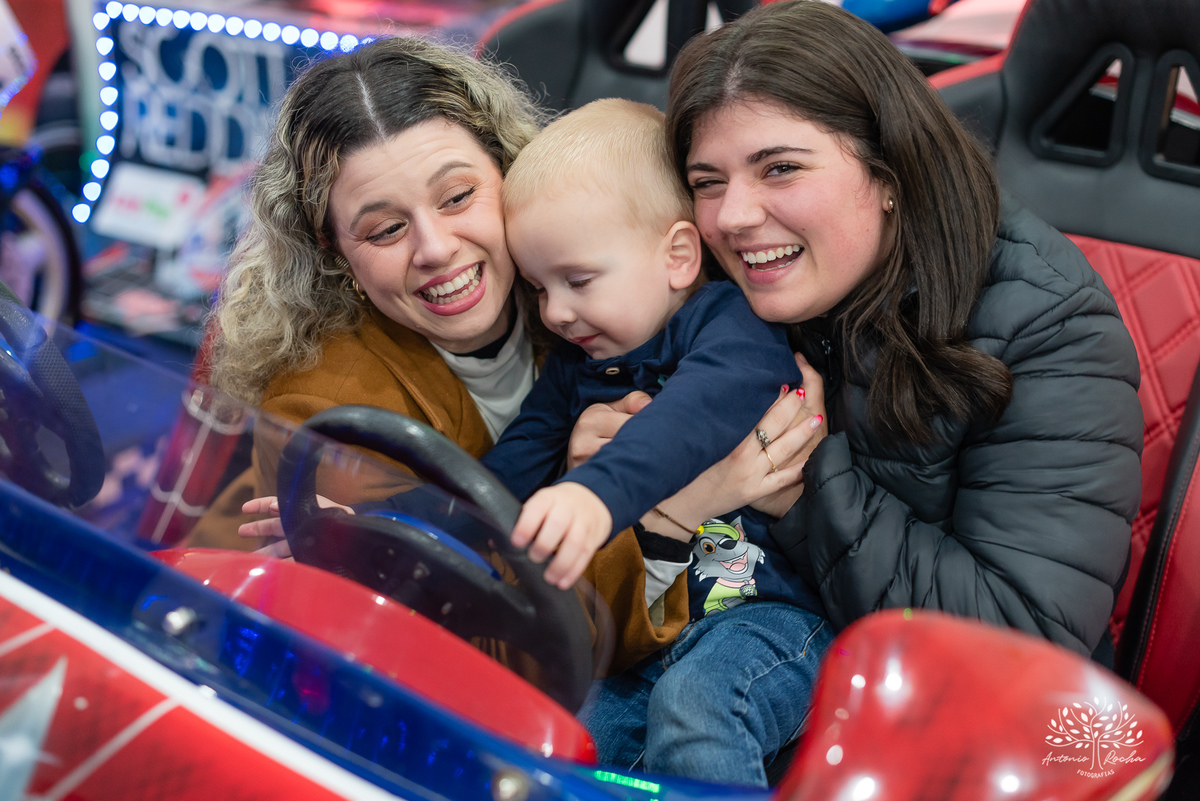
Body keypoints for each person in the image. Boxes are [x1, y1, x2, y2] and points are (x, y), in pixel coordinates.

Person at [575, 0, 1141, 783]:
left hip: (976, 731)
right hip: (743, 637)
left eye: (780, 168)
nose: (734, 216)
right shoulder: (707, 283)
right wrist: (620, 464)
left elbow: (1018, 640)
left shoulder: (1046, 321)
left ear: (888, 173)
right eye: (709, 181)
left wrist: (799, 481)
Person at [184, 36, 689, 675]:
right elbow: (505, 651)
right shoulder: (321, 408)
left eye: (457, 197)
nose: (435, 247)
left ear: (508, 169)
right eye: (385, 229)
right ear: (335, 250)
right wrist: (659, 505)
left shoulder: (590, 288)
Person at [452, 97, 832, 785]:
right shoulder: (576, 363)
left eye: (578, 280)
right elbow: (508, 466)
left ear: (679, 255)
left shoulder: (732, 329)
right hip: (649, 624)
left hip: (767, 618)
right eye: (540, 288)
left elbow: (693, 413)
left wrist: (596, 492)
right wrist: (414, 516)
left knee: (699, 707)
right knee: (572, 734)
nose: (556, 312)